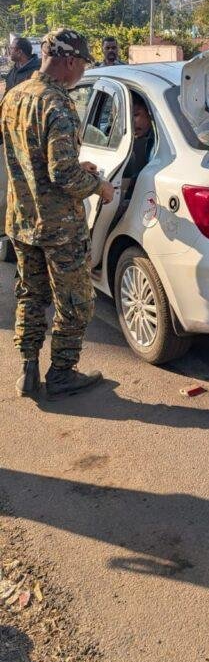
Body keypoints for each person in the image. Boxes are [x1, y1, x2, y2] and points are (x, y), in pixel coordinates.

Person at [0, 27, 115, 400]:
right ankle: (62, 373)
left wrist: (77, 165)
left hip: (21, 220)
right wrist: (99, 186)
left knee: (31, 296)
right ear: (69, 61)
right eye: (82, 63)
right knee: (76, 302)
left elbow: (31, 156)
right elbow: (62, 174)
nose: (82, 71)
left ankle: (29, 371)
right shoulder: (57, 103)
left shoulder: (14, 95)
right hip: (59, 228)